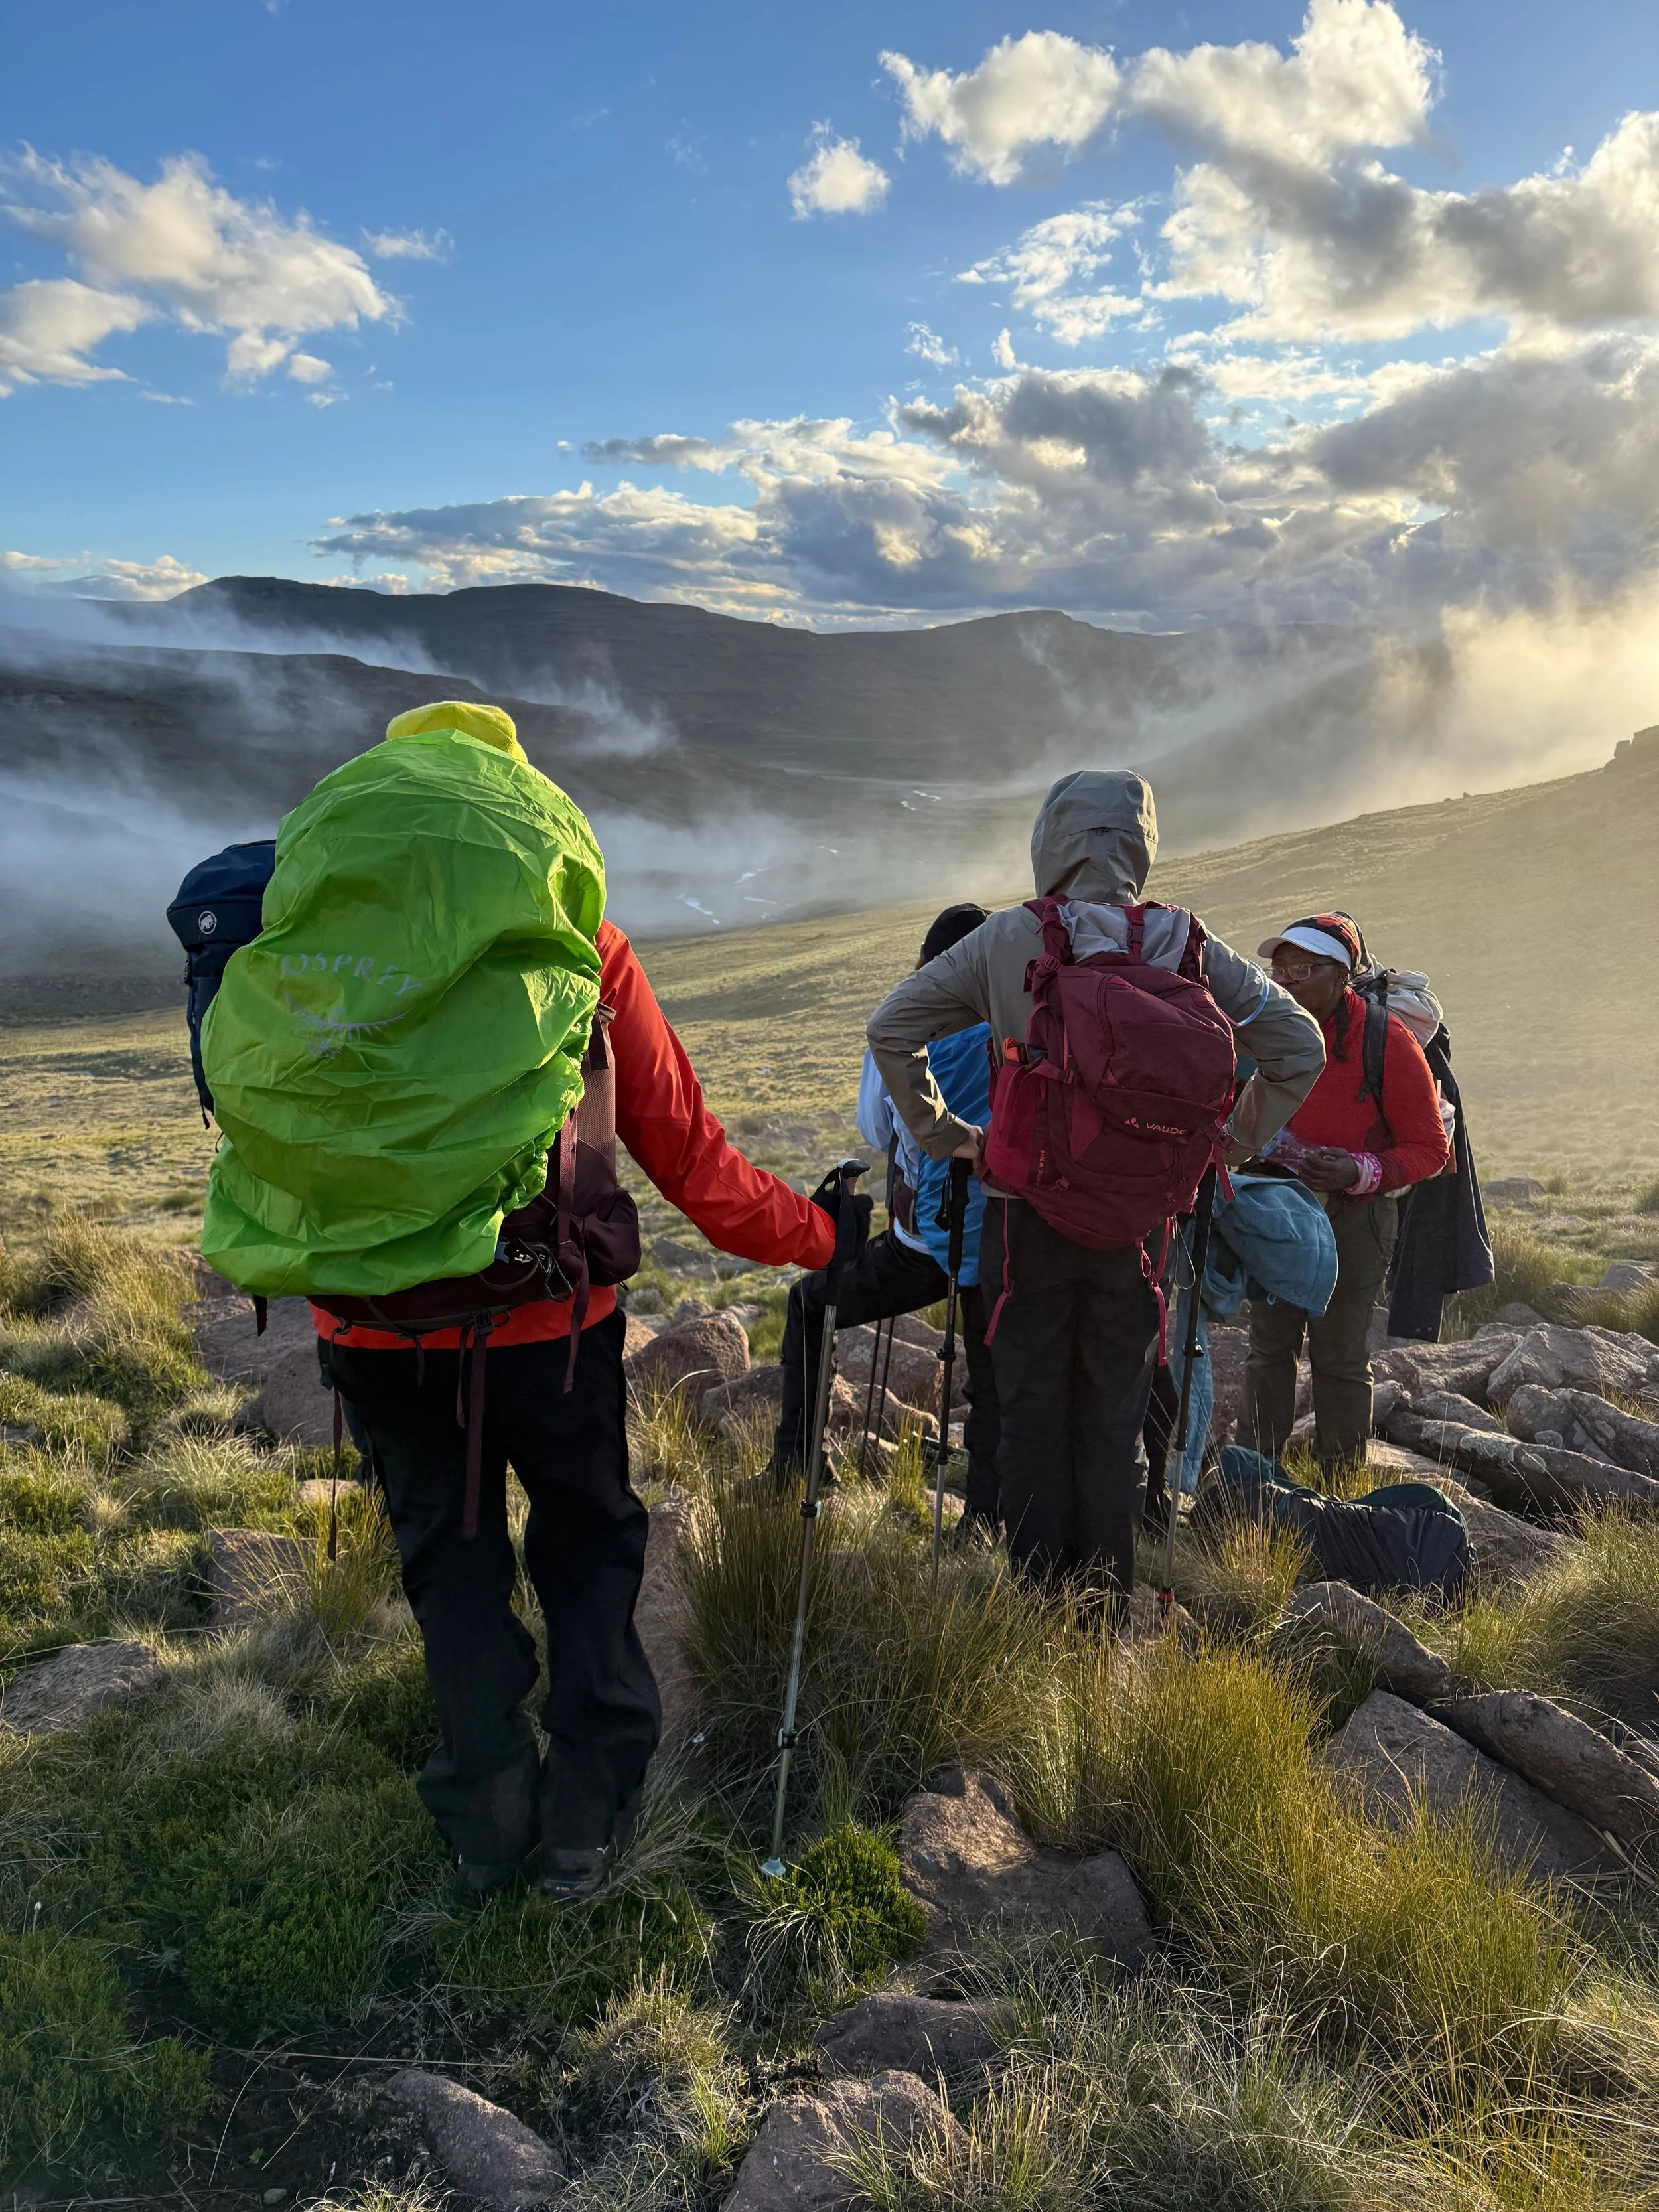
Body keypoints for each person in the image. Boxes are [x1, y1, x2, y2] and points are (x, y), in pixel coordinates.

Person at [209, 701, 837, 1902]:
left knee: (449, 1568)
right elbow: (695, 1165)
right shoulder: (579, 943)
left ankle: (487, 1816)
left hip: (374, 1323)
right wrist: (825, 1238)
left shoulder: (295, 944)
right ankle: (588, 1810)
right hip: (545, 1319)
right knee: (589, 1545)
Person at [866, 771, 1324, 1604]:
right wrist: (1224, 1145)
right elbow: (1299, 1047)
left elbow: (891, 1029)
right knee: (1114, 1419)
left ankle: (1037, 1611)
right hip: (1139, 1228)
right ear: (1140, 848)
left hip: (1025, 1215)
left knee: (1031, 1412)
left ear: (1049, 842)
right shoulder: (1186, 942)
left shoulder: (1010, 938)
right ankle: (1102, 1615)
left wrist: (949, 1138)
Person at [770, 903, 999, 1526]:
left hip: (923, 1243)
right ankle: (987, 1517)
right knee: (991, 1379)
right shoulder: (1015, 1019)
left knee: (810, 1305)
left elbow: (875, 1128)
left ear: (926, 962)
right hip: (1000, 1237)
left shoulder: (905, 1023)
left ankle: (798, 1463)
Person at [1238, 912, 1451, 1467]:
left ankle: (1339, 1483)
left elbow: (1431, 1147)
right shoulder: (1262, 1032)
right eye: (1279, 970)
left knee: (1339, 1356)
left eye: (1302, 970)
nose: (1286, 982)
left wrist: (1358, 1170)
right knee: (1269, 1349)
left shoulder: (1387, 1041)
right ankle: (1253, 1479)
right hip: (1276, 1210)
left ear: (1341, 975)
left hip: (1354, 1218)